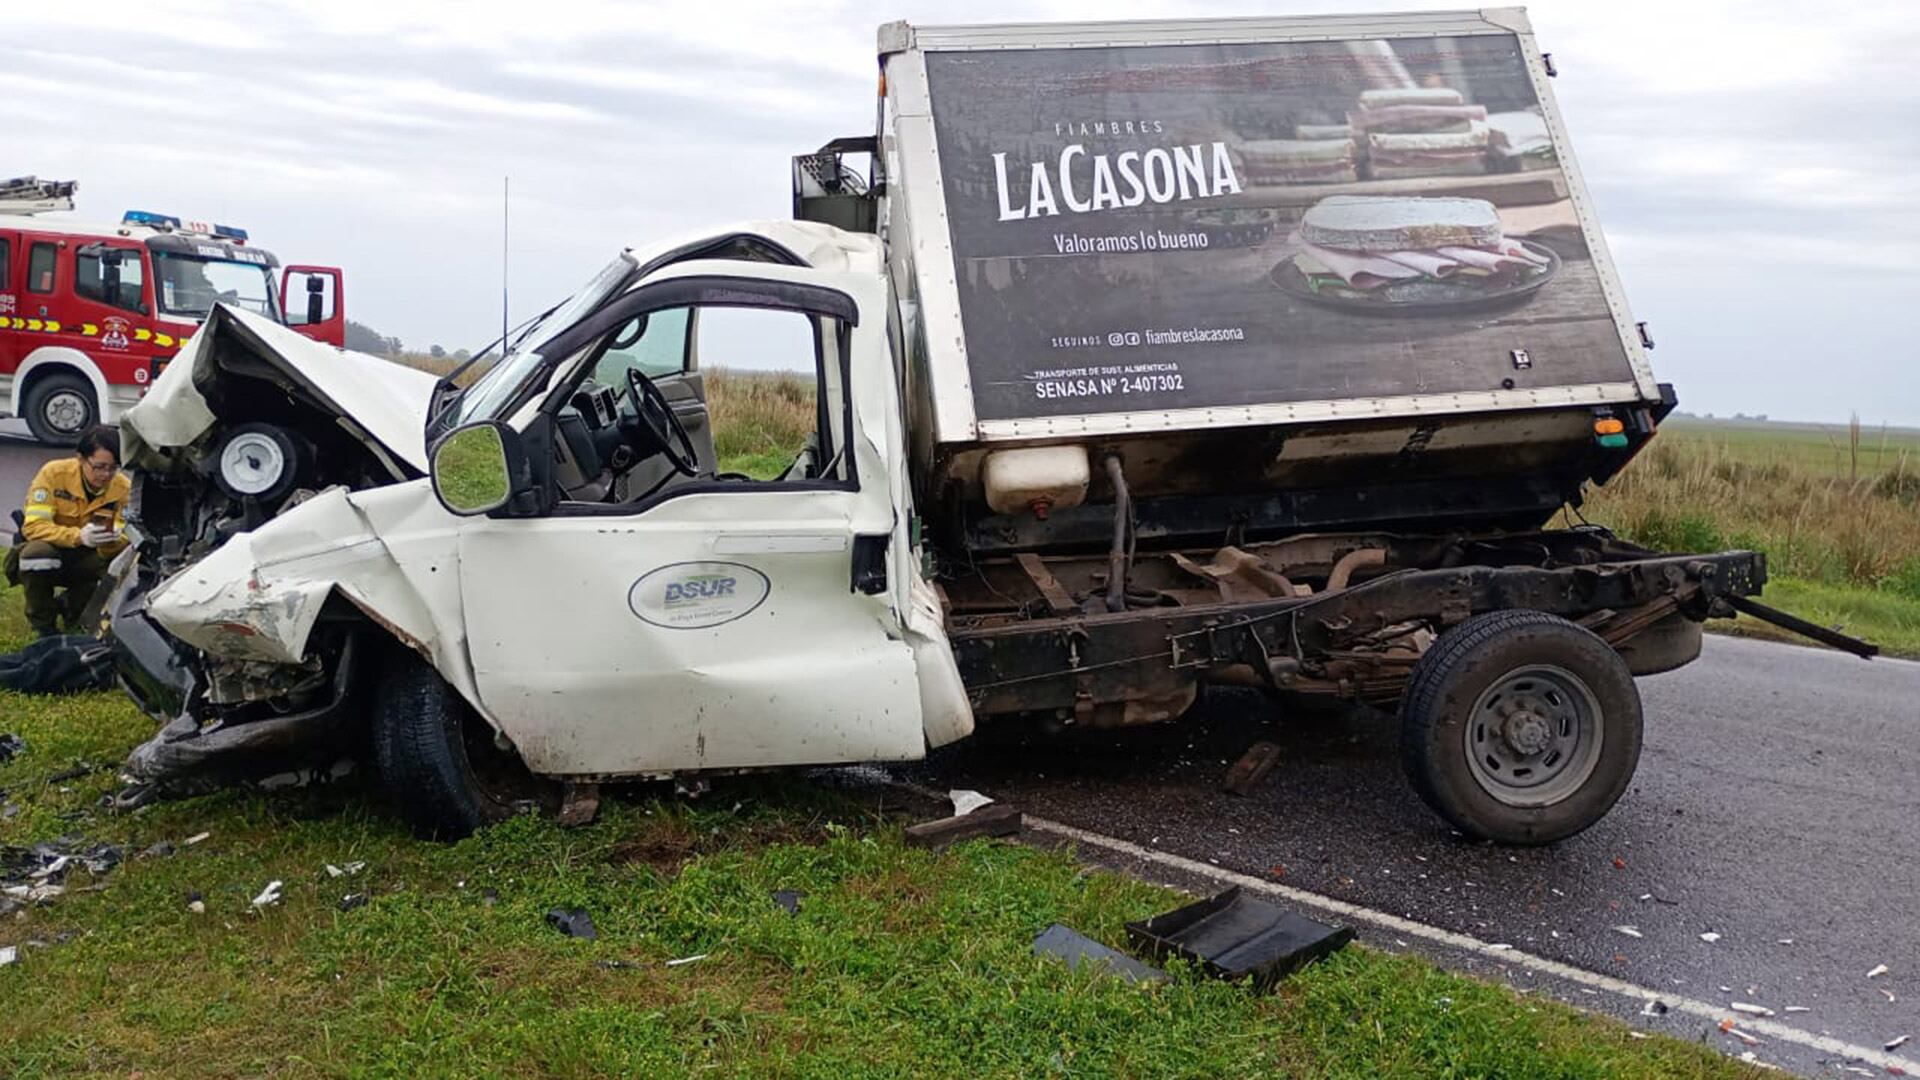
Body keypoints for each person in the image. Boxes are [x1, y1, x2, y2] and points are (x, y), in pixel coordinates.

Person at [5, 426, 130, 637]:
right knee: (36, 556)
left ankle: (72, 605)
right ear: (81, 459)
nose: (106, 475)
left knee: (123, 565)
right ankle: (43, 625)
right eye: (99, 467)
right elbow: (34, 526)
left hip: (89, 557)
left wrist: (113, 539)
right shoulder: (53, 474)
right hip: (53, 549)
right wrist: (78, 536)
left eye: (113, 468)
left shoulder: (123, 488)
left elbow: (126, 539)